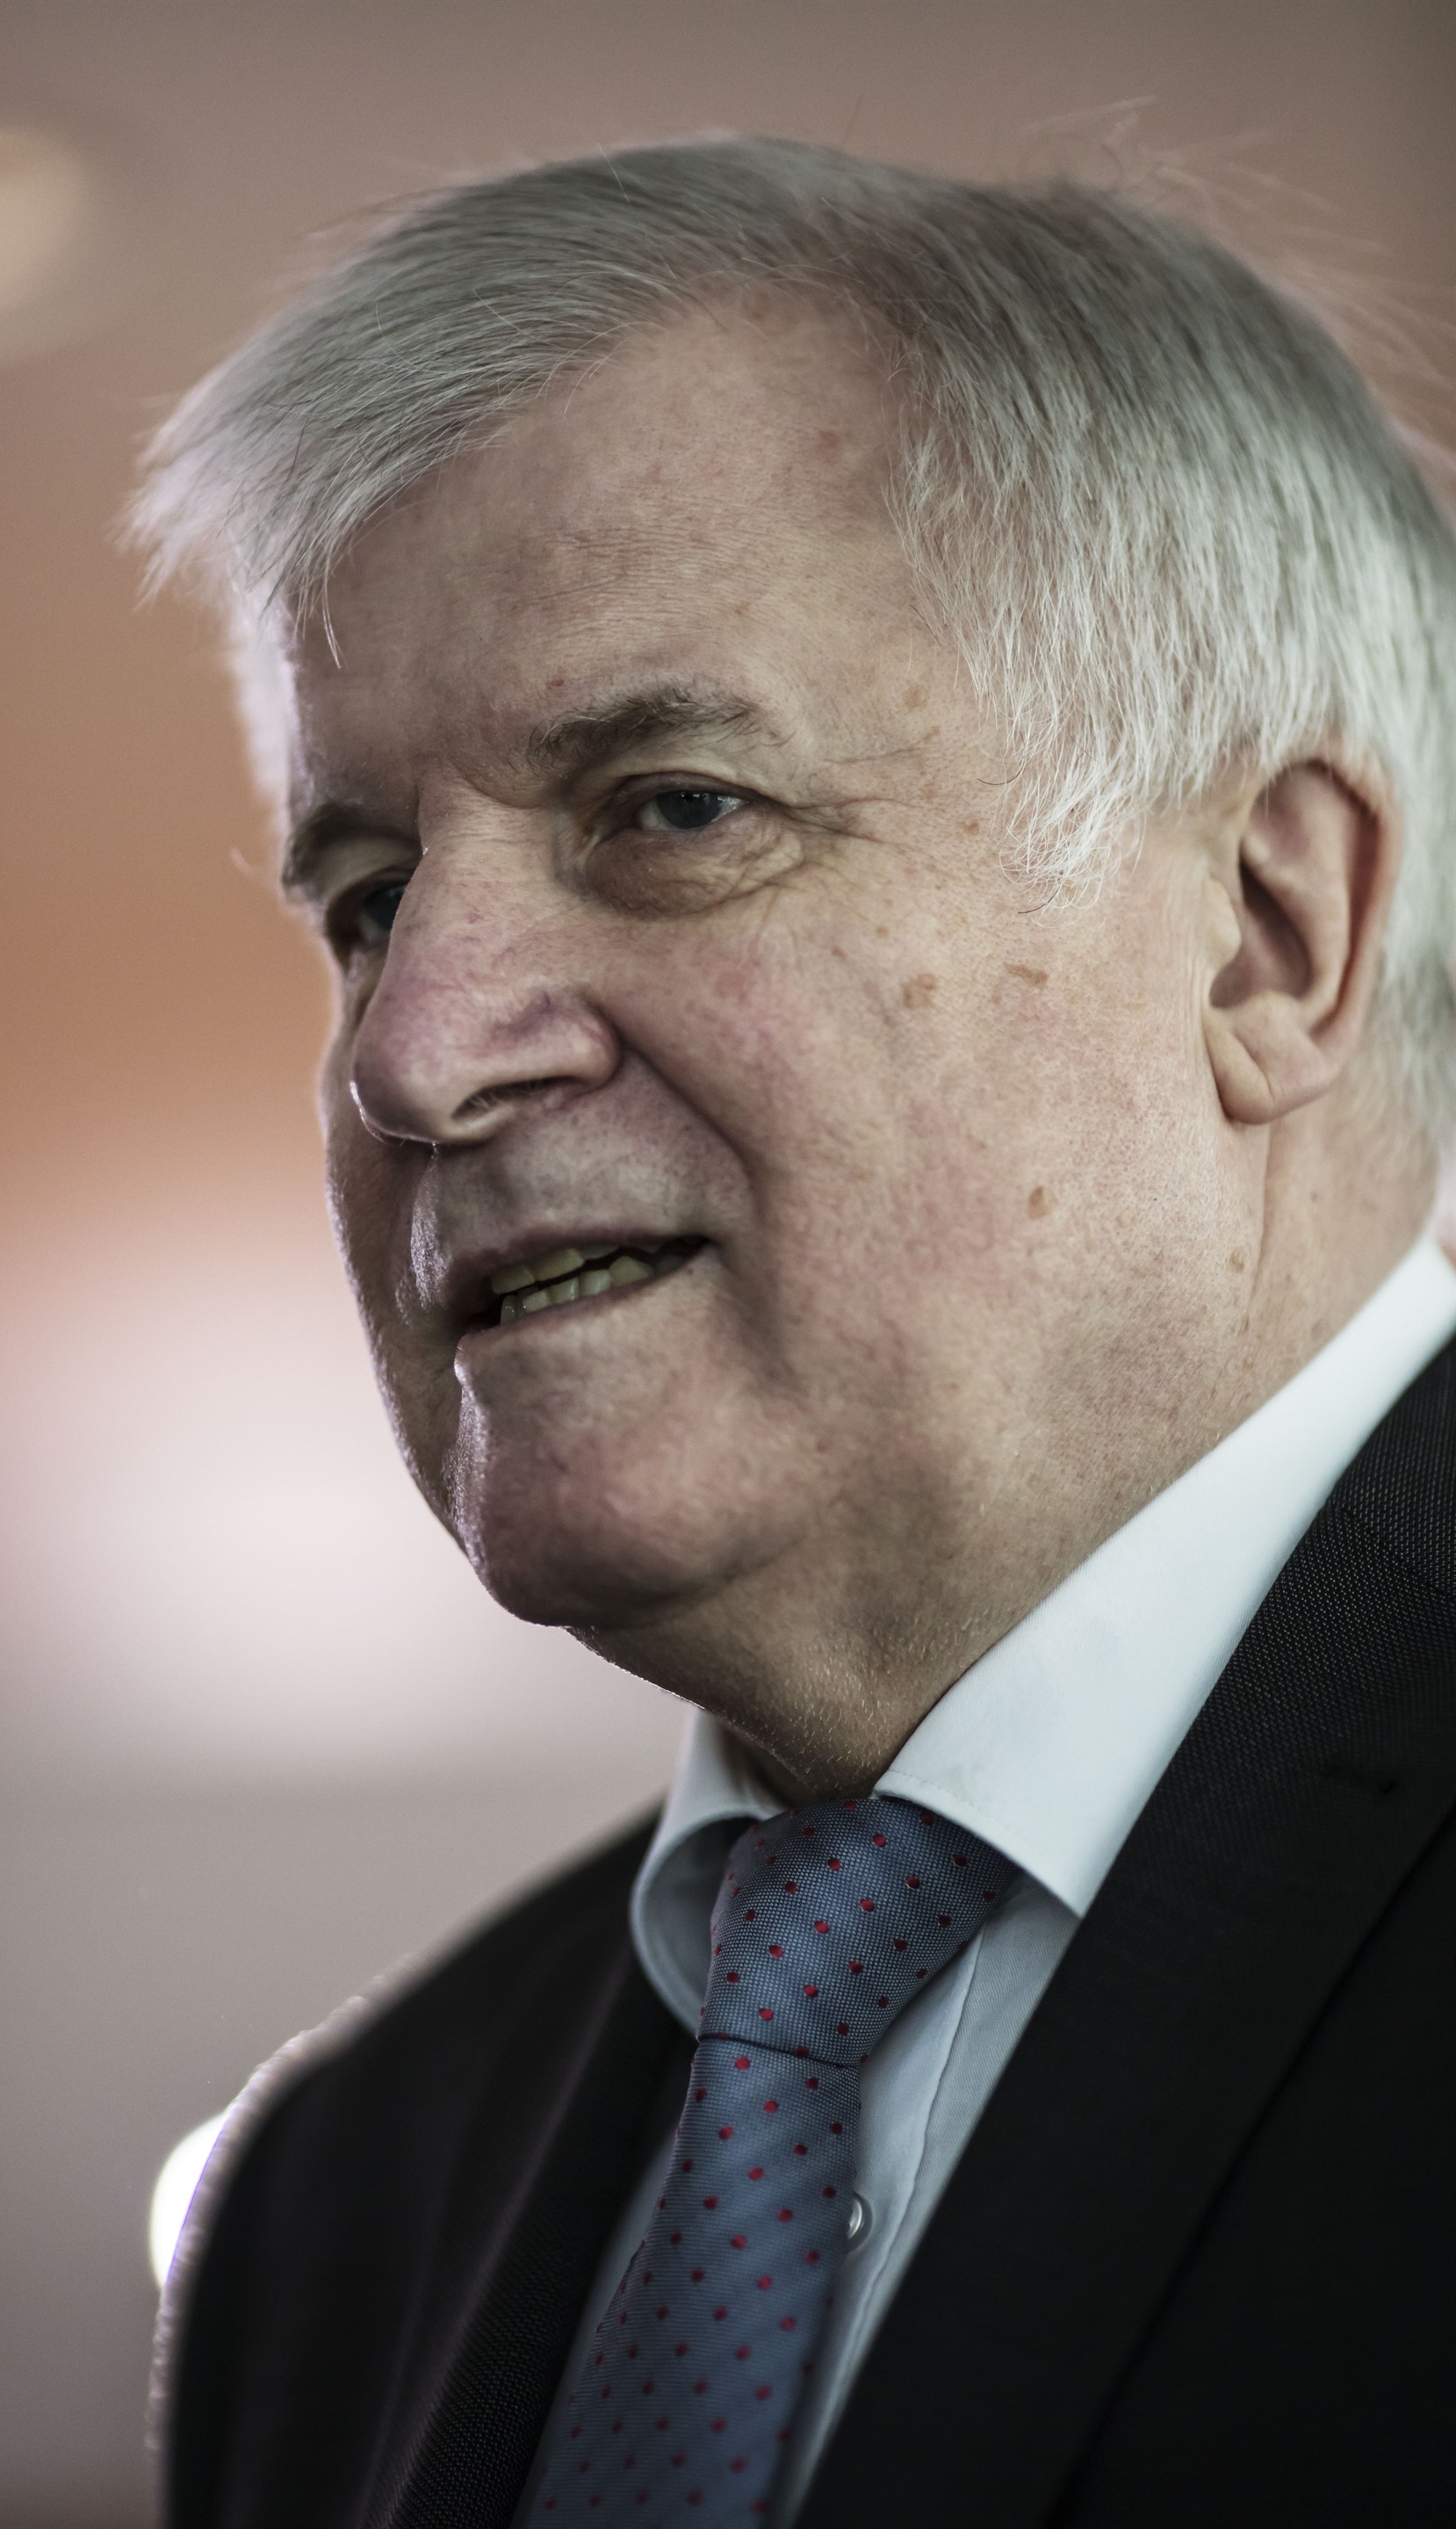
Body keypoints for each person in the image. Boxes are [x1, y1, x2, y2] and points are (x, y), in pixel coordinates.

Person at [132, 140, 1456, 2528]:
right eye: (367, 899)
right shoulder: (338, 2201)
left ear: (1272, 934)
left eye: (670, 808)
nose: (414, 1053)